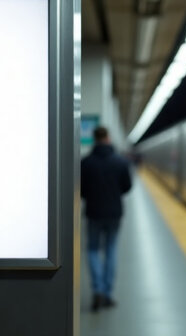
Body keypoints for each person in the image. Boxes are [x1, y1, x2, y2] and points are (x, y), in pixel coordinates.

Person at [81, 126, 132, 312]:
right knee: (111, 249)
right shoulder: (120, 161)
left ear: (94, 139)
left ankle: (97, 290)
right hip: (114, 213)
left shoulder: (85, 163)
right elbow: (127, 187)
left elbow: (82, 190)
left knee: (93, 249)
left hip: (93, 212)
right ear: (108, 138)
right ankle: (108, 294)